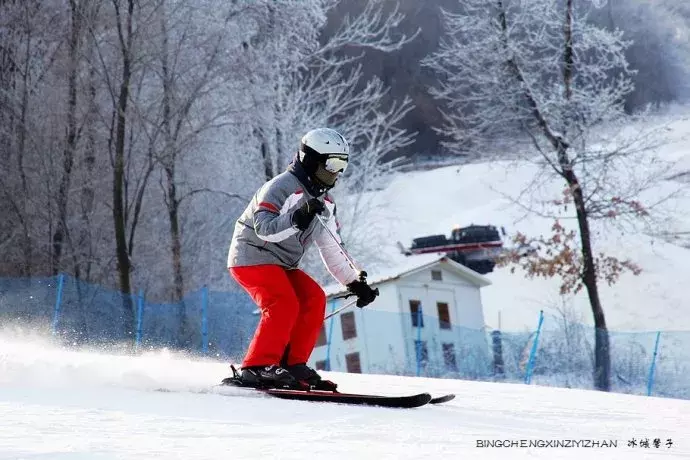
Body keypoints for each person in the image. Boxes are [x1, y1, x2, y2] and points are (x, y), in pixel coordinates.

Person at [225, 127, 379, 390]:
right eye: (332, 163)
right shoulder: (281, 187)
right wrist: (297, 218)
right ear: (311, 159)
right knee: (283, 302)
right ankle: (256, 367)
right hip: (252, 256)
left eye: (343, 165)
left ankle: (292, 365)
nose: (337, 172)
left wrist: (354, 282)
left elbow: (332, 247)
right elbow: (263, 227)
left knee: (313, 298)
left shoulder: (325, 202)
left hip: (283, 264)